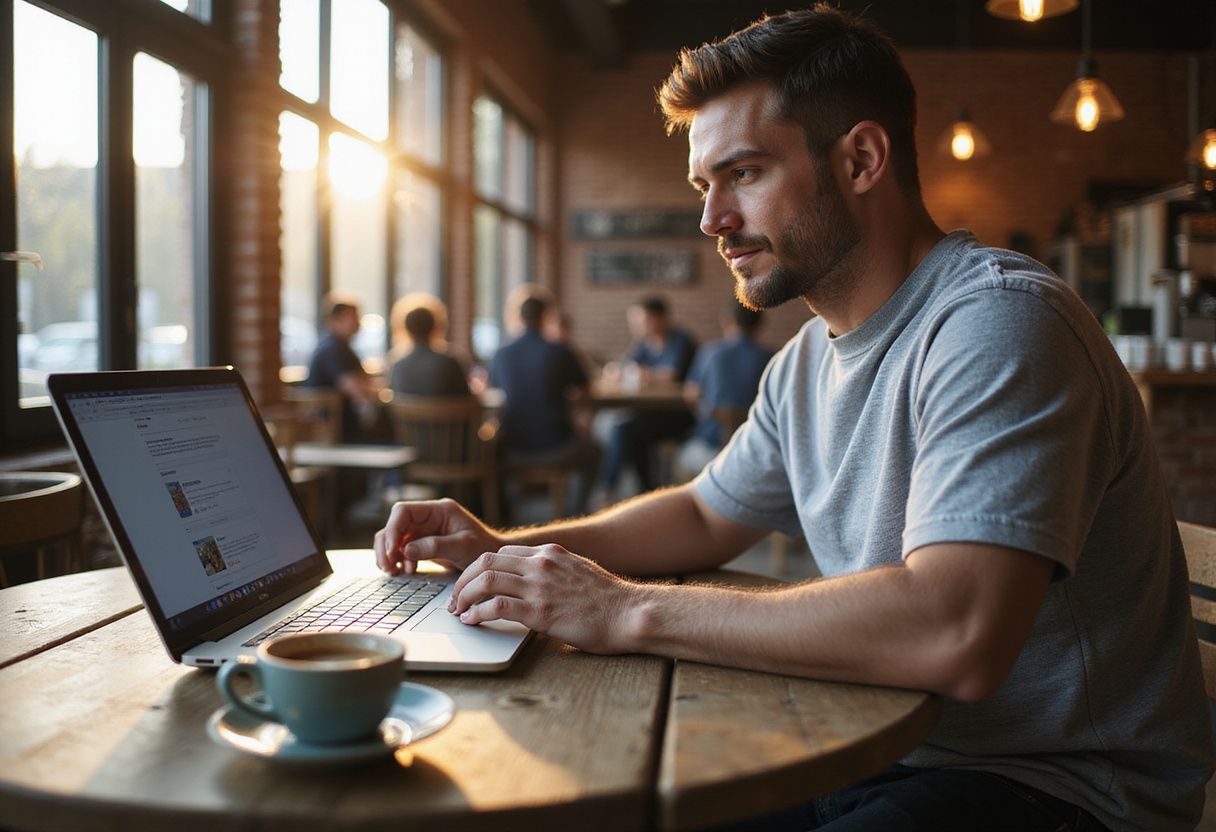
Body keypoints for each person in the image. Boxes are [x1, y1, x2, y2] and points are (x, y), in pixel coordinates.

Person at [374, 6, 1213, 831]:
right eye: (706, 186)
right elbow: (704, 513)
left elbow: (957, 630)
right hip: (878, 746)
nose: (713, 221)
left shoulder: (998, 322)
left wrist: (621, 609)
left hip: (1057, 787)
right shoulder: (808, 360)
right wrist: (505, 551)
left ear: (861, 159)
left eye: (743, 173)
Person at [490, 288, 600, 518]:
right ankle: (576, 515)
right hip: (557, 447)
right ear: (547, 317)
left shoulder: (501, 354)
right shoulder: (560, 351)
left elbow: (492, 392)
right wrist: (583, 422)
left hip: (513, 447)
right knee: (596, 451)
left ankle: (506, 516)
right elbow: (587, 391)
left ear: (517, 317)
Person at [599, 295, 697, 494]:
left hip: (679, 416)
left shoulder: (681, 341)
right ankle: (647, 491)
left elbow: (672, 374)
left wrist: (645, 374)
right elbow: (628, 366)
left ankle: (608, 490)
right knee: (628, 432)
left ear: (660, 318)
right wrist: (618, 371)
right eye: (634, 322)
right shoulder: (643, 344)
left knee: (623, 430)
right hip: (650, 412)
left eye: (641, 321)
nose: (636, 327)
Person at [674, 302, 774, 479]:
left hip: (710, 447)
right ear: (761, 325)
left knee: (682, 458)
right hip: (757, 448)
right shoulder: (772, 358)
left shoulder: (709, 352)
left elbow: (692, 394)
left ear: (726, 322)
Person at [304, 292, 381, 442]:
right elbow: (353, 387)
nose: (358, 322)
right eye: (353, 317)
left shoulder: (341, 347)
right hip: (333, 427)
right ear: (335, 320)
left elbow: (363, 381)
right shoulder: (332, 349)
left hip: (341, 422)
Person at [386, 294, 471, 398]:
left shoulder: (397, 367)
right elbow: (467, 399)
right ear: (436, 326)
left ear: (406, 329)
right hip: (445, 414)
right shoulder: (450, 363)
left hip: (409, 415)